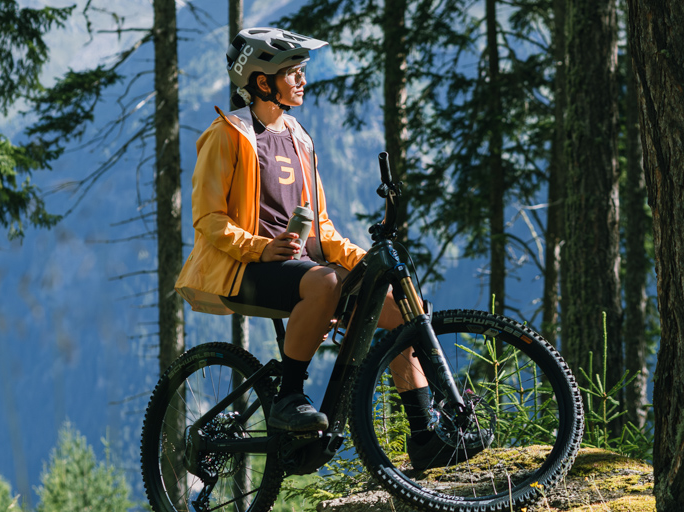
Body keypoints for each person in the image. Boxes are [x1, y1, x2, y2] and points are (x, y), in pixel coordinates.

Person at [174, 27, 474, 470]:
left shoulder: (299, 138)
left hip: (299, 268)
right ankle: (289, 398)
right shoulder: (227, 134)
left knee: (394, 309)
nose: (302, 80)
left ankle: (426, 436)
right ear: (262, 82)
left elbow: (322, 229)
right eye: (292, 72)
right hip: (243, 267)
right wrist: (260, 248)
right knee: (325, 282)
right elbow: (208, 220)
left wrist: (365, 263)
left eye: (301, 71)